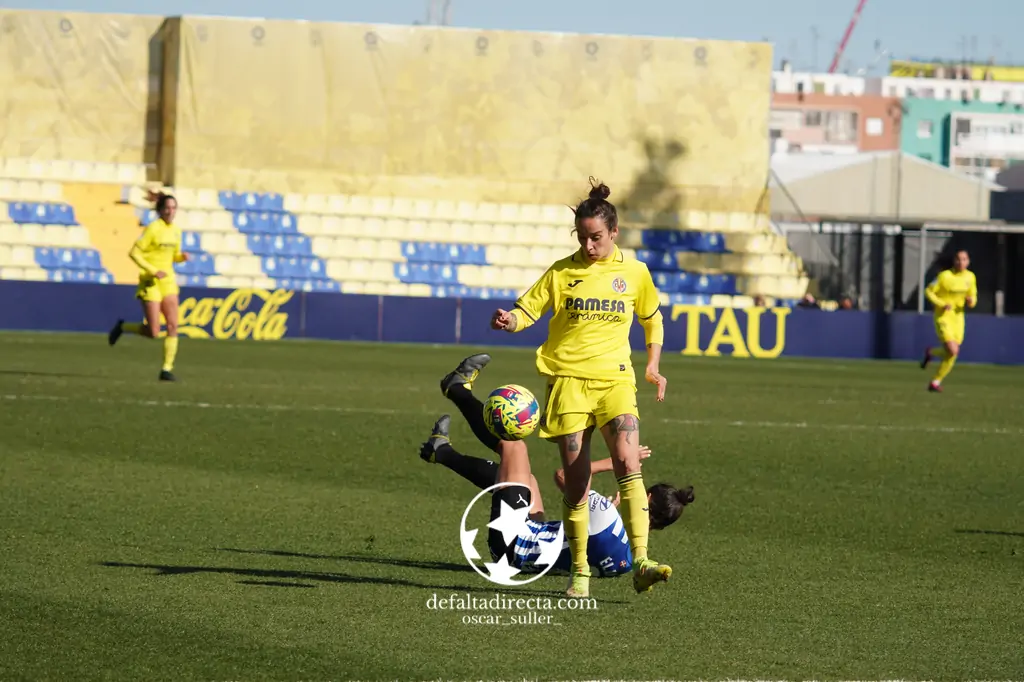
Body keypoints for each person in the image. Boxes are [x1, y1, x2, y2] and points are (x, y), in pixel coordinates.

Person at [489, 178, 669, 598]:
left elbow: (653, 319)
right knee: (576, 482)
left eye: (596, 238)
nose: (589, 247)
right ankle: (581, 572)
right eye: (583, 238)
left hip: (616, 381)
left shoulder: (635, 273)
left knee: (627, 463)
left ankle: (641, 560)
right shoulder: (562, 271)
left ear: (614, 233)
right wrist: (509, 321)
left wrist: (653, 365)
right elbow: (527, 309)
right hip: (568, 383)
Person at [421, 353, 693, 578]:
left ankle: (456, 388)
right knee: (526, 480)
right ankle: (440, 451)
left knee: (514, 446)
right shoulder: (626, 562)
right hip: (526, 554)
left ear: (645, 500)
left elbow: (564, 476)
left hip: (511, 541)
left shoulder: (607, 516)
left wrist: (613, 464)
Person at [108, 193, 189, 381]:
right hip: (150, 281)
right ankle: (123, 327)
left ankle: (166, 369)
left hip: (168, 281)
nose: (171, 211)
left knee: (173, 325)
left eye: (174, 208)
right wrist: (153, 270)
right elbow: (134, 253)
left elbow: (173, 255)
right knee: (153, 331)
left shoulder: (177, 230)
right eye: (167, 208)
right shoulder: (153, 229)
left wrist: (181, 258)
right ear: (160, 210)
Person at [921, 250, 977, 392]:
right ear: (954, 261)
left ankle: (935, 378)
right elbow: (928, 291)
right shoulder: (944, 276)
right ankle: (935, 380)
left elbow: (973, 296)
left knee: (952, 353)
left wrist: (971, 302)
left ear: (968, 261)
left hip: (958, 319)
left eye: (964, 259)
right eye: (958, 259)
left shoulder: (970, 277)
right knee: (953, 349)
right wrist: (941, 303)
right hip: (943, 317)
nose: (961, 262)